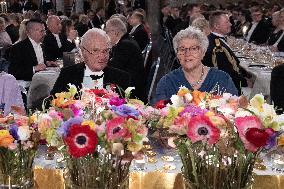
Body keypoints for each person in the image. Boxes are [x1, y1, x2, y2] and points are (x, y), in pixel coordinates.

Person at [153, 26, 238, 104]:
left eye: (194, 49)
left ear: (203, 52)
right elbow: (159, 113)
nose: (187, 53)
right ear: (177, 54)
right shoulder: (167, 82)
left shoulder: (222, 79)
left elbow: (234, 110)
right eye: (182, 49)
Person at [51, 28, 131, 96]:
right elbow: (51, 105)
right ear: (83, 51)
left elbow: (130, 109)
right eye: (96, 50)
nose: (102, 56)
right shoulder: (68, 74)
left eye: (106, 50)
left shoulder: (121, 78)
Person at [202, 11, 249, 94]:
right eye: (227, 22)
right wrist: (245, 81)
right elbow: (226, 72)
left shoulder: (213, 39)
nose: (230, 24)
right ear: (217, 26)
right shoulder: (217, 47)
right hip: (225, 90)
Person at [105, 18, 146, 102]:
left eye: (107, 32)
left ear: (115, 32)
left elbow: (114, 68)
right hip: (131, 84)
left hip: (131, 91)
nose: (106, 35)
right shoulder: (127, 40)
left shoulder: (125, 45)